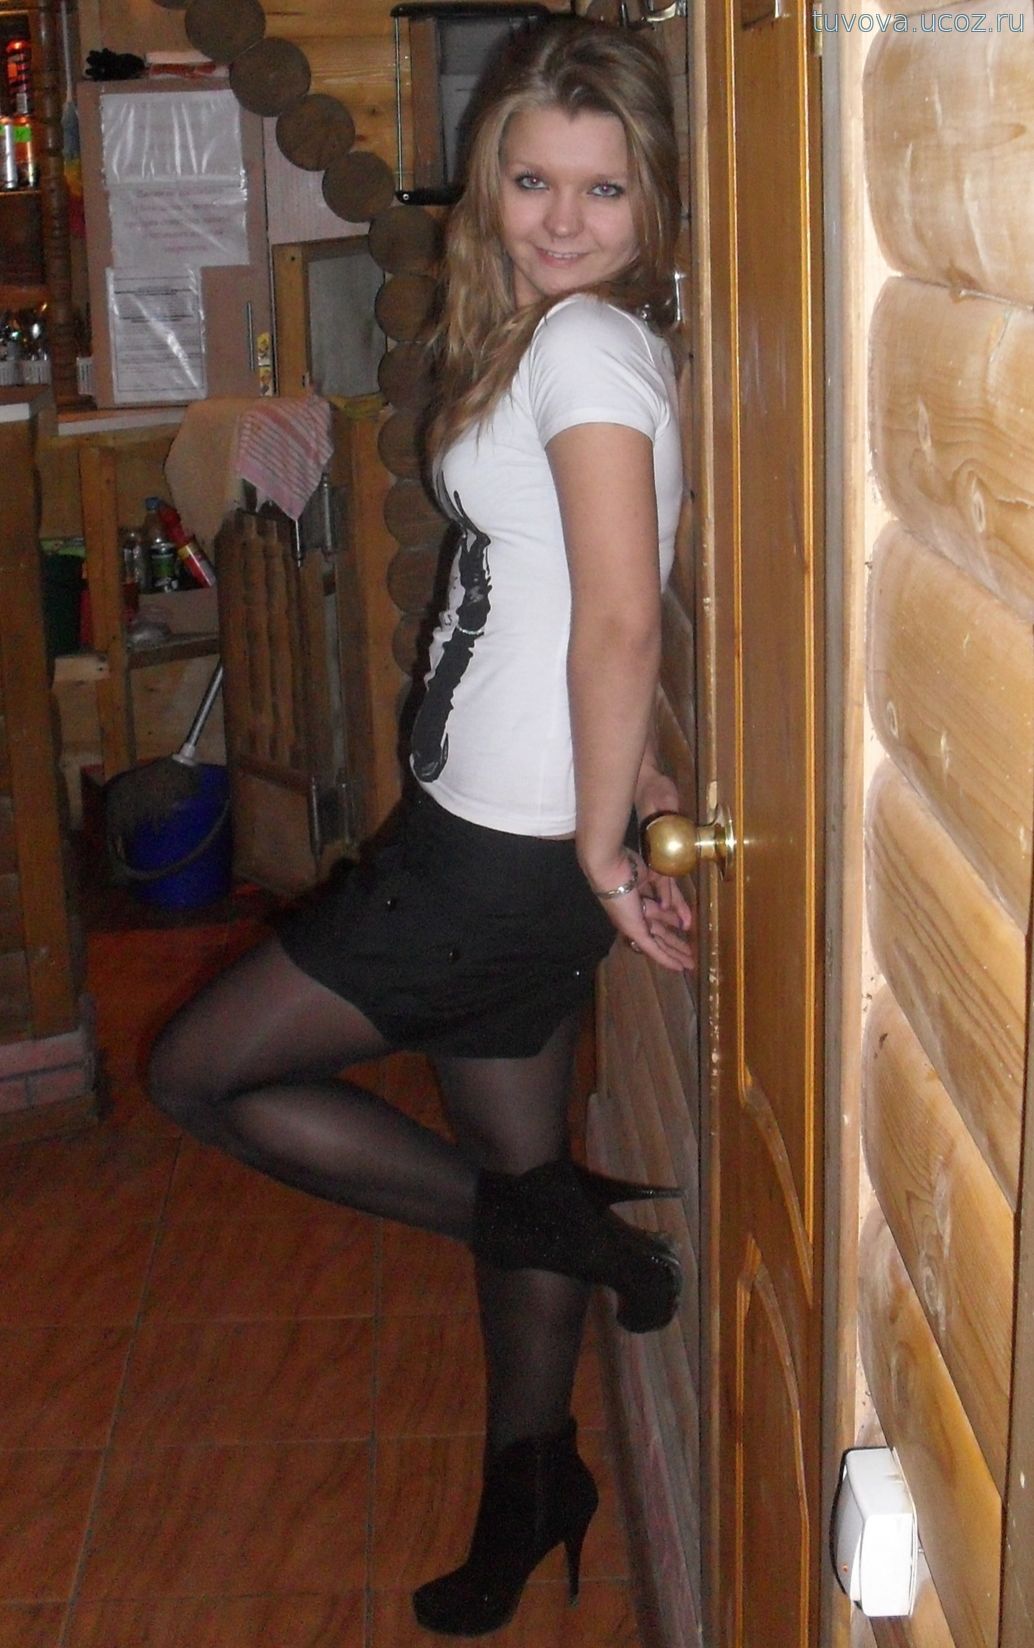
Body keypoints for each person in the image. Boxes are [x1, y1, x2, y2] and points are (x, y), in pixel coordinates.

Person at [148, 16, 692, 1638]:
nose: (561, 218)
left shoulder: (585, 348)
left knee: (200, 1076)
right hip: (508, 828)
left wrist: (596, 846)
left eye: (603, 189)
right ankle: (533, 1480)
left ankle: (569, 1234)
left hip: (504, 856)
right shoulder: (562, 336)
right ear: (488, 180)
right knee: (513, 1154)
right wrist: (637, 790)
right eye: (532, 179)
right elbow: (589, 598)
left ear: (652, 200)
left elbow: (619, 617)